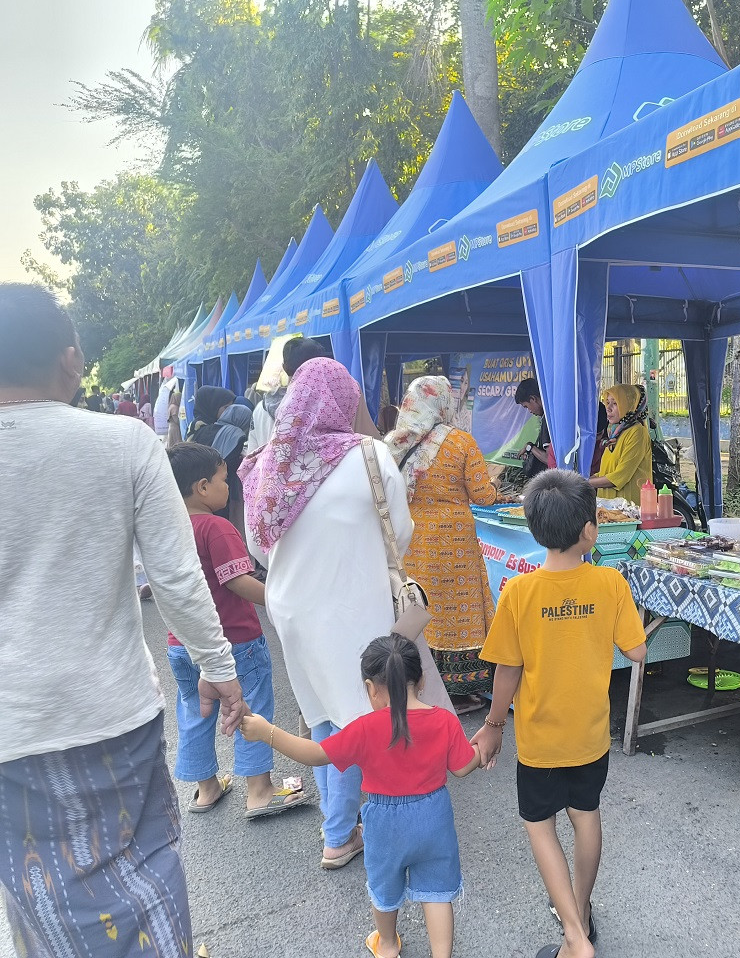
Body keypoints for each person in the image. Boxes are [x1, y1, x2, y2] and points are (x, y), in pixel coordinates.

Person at [0, 283, 246, 958]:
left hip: (10, 733)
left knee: (38, 895)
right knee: (143, 868)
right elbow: (175, 579)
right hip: (112, 714)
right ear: (71, 360)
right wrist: (219, 668)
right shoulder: (123, 443)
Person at [240, 357, 414, 869]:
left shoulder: (268, 462)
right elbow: (400, 533)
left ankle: (339, 830)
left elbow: (258, 544)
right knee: (370, 711)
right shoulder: (368, 456)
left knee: (323, 716)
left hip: (292, 608)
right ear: (343, 402)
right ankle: (372, 827)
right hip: (353, 603)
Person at [474, 469, 648, 958]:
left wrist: (492, 727)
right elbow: (635, 653)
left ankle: (573, 934)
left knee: (539, 824)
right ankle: (583, 913)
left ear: (534, 530)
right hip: (590, 737)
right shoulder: (610, 583)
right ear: (590, 532)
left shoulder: (518, 593)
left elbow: (506, 672)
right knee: (586, 815)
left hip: (539, 742)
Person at [242, 635, 481, 958]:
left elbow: (315, 753)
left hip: (385, 824)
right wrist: (482, 749)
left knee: (384, 890)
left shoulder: (364, 727)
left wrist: (266, 732)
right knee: (436, 893)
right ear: (421, 681)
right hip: (433, 817)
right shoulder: (443, 721)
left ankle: (386, 944)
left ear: (371, 688)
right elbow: (464, 767)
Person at [166, 442, 307, 819]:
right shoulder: (216, 527)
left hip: (181, 644)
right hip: (235, 641)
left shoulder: (165, 527)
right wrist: (281, 601)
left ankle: (206, 788)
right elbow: (237, 582)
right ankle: (259, 790)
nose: (230, 488)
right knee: (250, 708)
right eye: (223, 479)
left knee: (195, 711)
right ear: (202, 487)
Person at [387, 376, 499, 713]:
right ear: (443, 403)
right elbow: (483, 495)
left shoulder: (396, 444)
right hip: (455, 549)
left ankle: (419, 682)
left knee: (422, 607)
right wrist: (493, 487)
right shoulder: (461, 442)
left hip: (414, 542)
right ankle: (460, 691)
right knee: (457, 617)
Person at [192, 401, 252, 532]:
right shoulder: (237, 434)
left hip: (196, 478)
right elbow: (230, 464)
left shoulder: (206, 428)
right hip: (218, 482)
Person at [588, 384, 653, 504]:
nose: (608, 408)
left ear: (629, 406)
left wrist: (585, 482)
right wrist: (580, 480)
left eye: (615, 403)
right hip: (609, 506)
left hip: (628, 508)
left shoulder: (637, 432)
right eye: (607, 402)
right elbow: (606, 473)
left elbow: (619, 476)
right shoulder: (615, 434)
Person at [513, 376, 555, 477]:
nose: (530, 411)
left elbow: (549, 460)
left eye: (526, 406)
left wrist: (531, 448)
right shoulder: (553, 415)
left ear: (533, 399)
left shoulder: (547, 421)